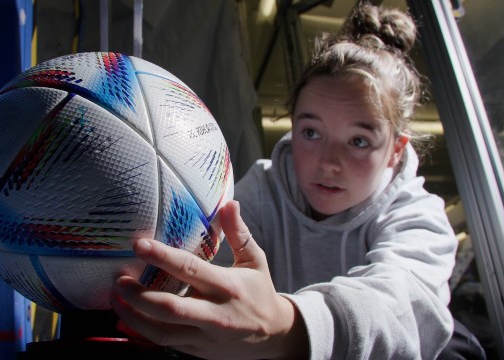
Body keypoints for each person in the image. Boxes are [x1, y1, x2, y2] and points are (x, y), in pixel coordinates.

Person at [110, 3, 467, 359]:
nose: (328, 162)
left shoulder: (419, 217)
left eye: (359, 141)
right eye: (311, 132)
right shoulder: (265, 188)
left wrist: (285, 326)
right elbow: (208, 273)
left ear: (395, 151)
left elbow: (402, 307)